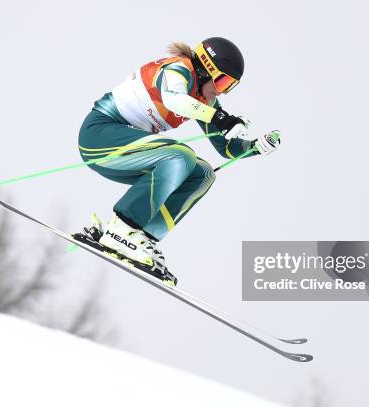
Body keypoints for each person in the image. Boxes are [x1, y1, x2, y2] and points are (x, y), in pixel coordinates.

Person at [76, 37, 280, 284]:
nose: (221, 90)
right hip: (99, 135)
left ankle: (142, 236)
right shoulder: (178, 69)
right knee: (181, 156)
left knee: (203, 173)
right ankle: (121, 229)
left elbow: (225, 148)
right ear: (206, 69)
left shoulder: (206, 101)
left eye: (230, 86)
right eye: (222, 80)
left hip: (127, 151)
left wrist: (254, 147)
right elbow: (174, 100)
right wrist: (219, 117)